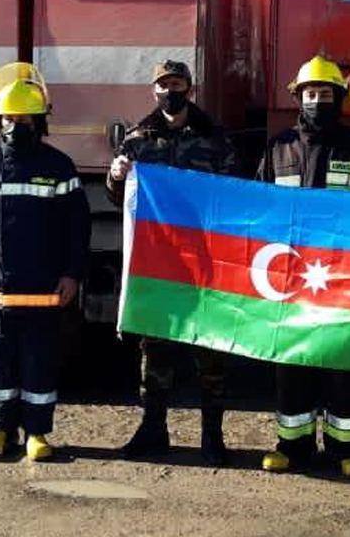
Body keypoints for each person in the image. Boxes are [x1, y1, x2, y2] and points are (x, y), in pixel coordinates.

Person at [0, 62, 91, 463]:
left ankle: (37, 434)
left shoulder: (58, 166)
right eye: (9, 117)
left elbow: (77, 225)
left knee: (39, 363)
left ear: (40, 119)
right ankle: (1, 431)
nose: (16, 124)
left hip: (43, 288)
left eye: (24, 117)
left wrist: (72, 273)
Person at [256, 55, 350, 480]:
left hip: (344, 276)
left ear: (339, 98)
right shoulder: (278, 148)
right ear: (298, 98)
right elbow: (256, 209)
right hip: (290, 277)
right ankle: (291, 446)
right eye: (310, 94)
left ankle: (347, 449)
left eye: (325, 94)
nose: (317, 101)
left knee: (344, 363)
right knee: (291, 361)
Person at [107, 60, 238, 466]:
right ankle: (153, 429)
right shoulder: (137, 140)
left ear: (190, 89)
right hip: (158, 263)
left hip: (205, 264)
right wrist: (115, 175)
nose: (170, 91)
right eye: (163, 85)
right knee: (155, 349)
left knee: (210, 350)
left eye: (177, 84)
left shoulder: (215, 139)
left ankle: (212, 437)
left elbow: (234, 192)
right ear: (154, 92)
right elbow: (119, 199)